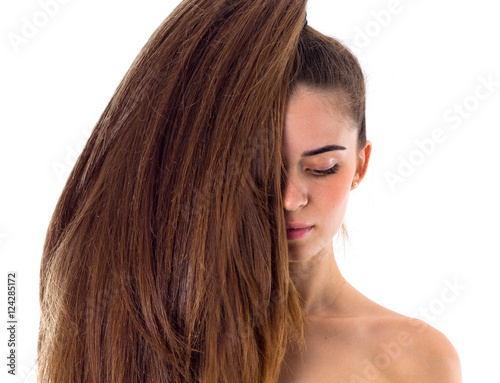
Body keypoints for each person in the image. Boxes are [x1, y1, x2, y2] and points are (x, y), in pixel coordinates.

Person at [36, 0, 461, 382]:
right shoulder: (149, 333)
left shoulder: (415, 359)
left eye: (322, 168)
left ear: (360, 165)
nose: (290, 199)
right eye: (260, 170)